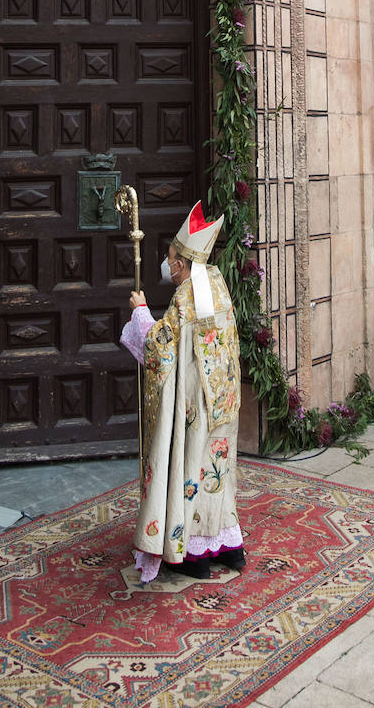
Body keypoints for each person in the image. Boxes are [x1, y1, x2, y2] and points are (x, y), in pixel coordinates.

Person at [120, 200, 244, 582]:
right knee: (217, 473)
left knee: (192, 470)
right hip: (223, 398)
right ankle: (227, 547)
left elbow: (160, 347)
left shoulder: (187, 298)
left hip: (195, 405)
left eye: (171, 257)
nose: (167, 263)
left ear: (183, 263)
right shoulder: (217, 285)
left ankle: (192, 554)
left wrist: (140, 312)